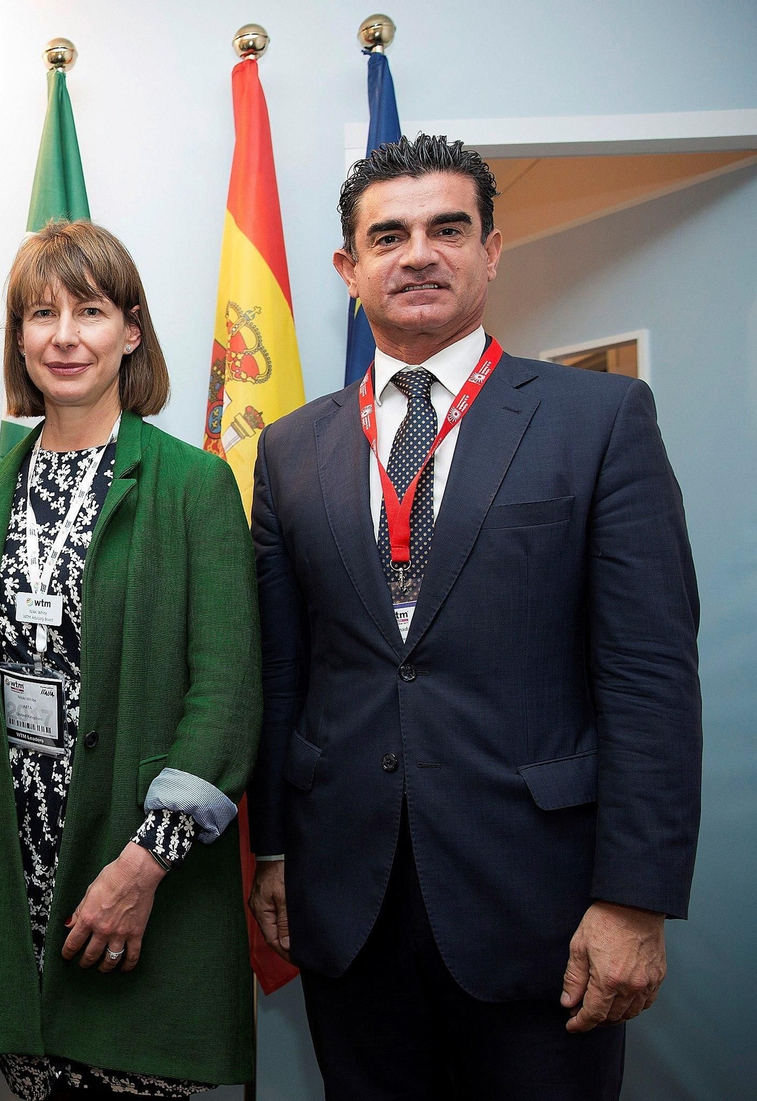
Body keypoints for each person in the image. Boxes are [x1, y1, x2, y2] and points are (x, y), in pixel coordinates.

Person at [248, 135, 701, 1101]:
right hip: (347, 899)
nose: (419, 254)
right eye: (389, 235)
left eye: (447, 229)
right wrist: (276, 849)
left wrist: (635, 899)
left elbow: (651, 675)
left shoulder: (601, 419)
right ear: (348, 267)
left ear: (492, 250)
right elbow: (285, 668)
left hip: (542, 909)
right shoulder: (290, 449)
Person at [0, 220, 262, 1099]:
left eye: (90, 309)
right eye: (41, 314)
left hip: (139, 861)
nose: (65, 335)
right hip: (18, 872)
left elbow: (226, 692)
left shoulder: (194, 484)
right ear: (19, 339)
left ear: (132, 329)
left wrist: (143, 863)